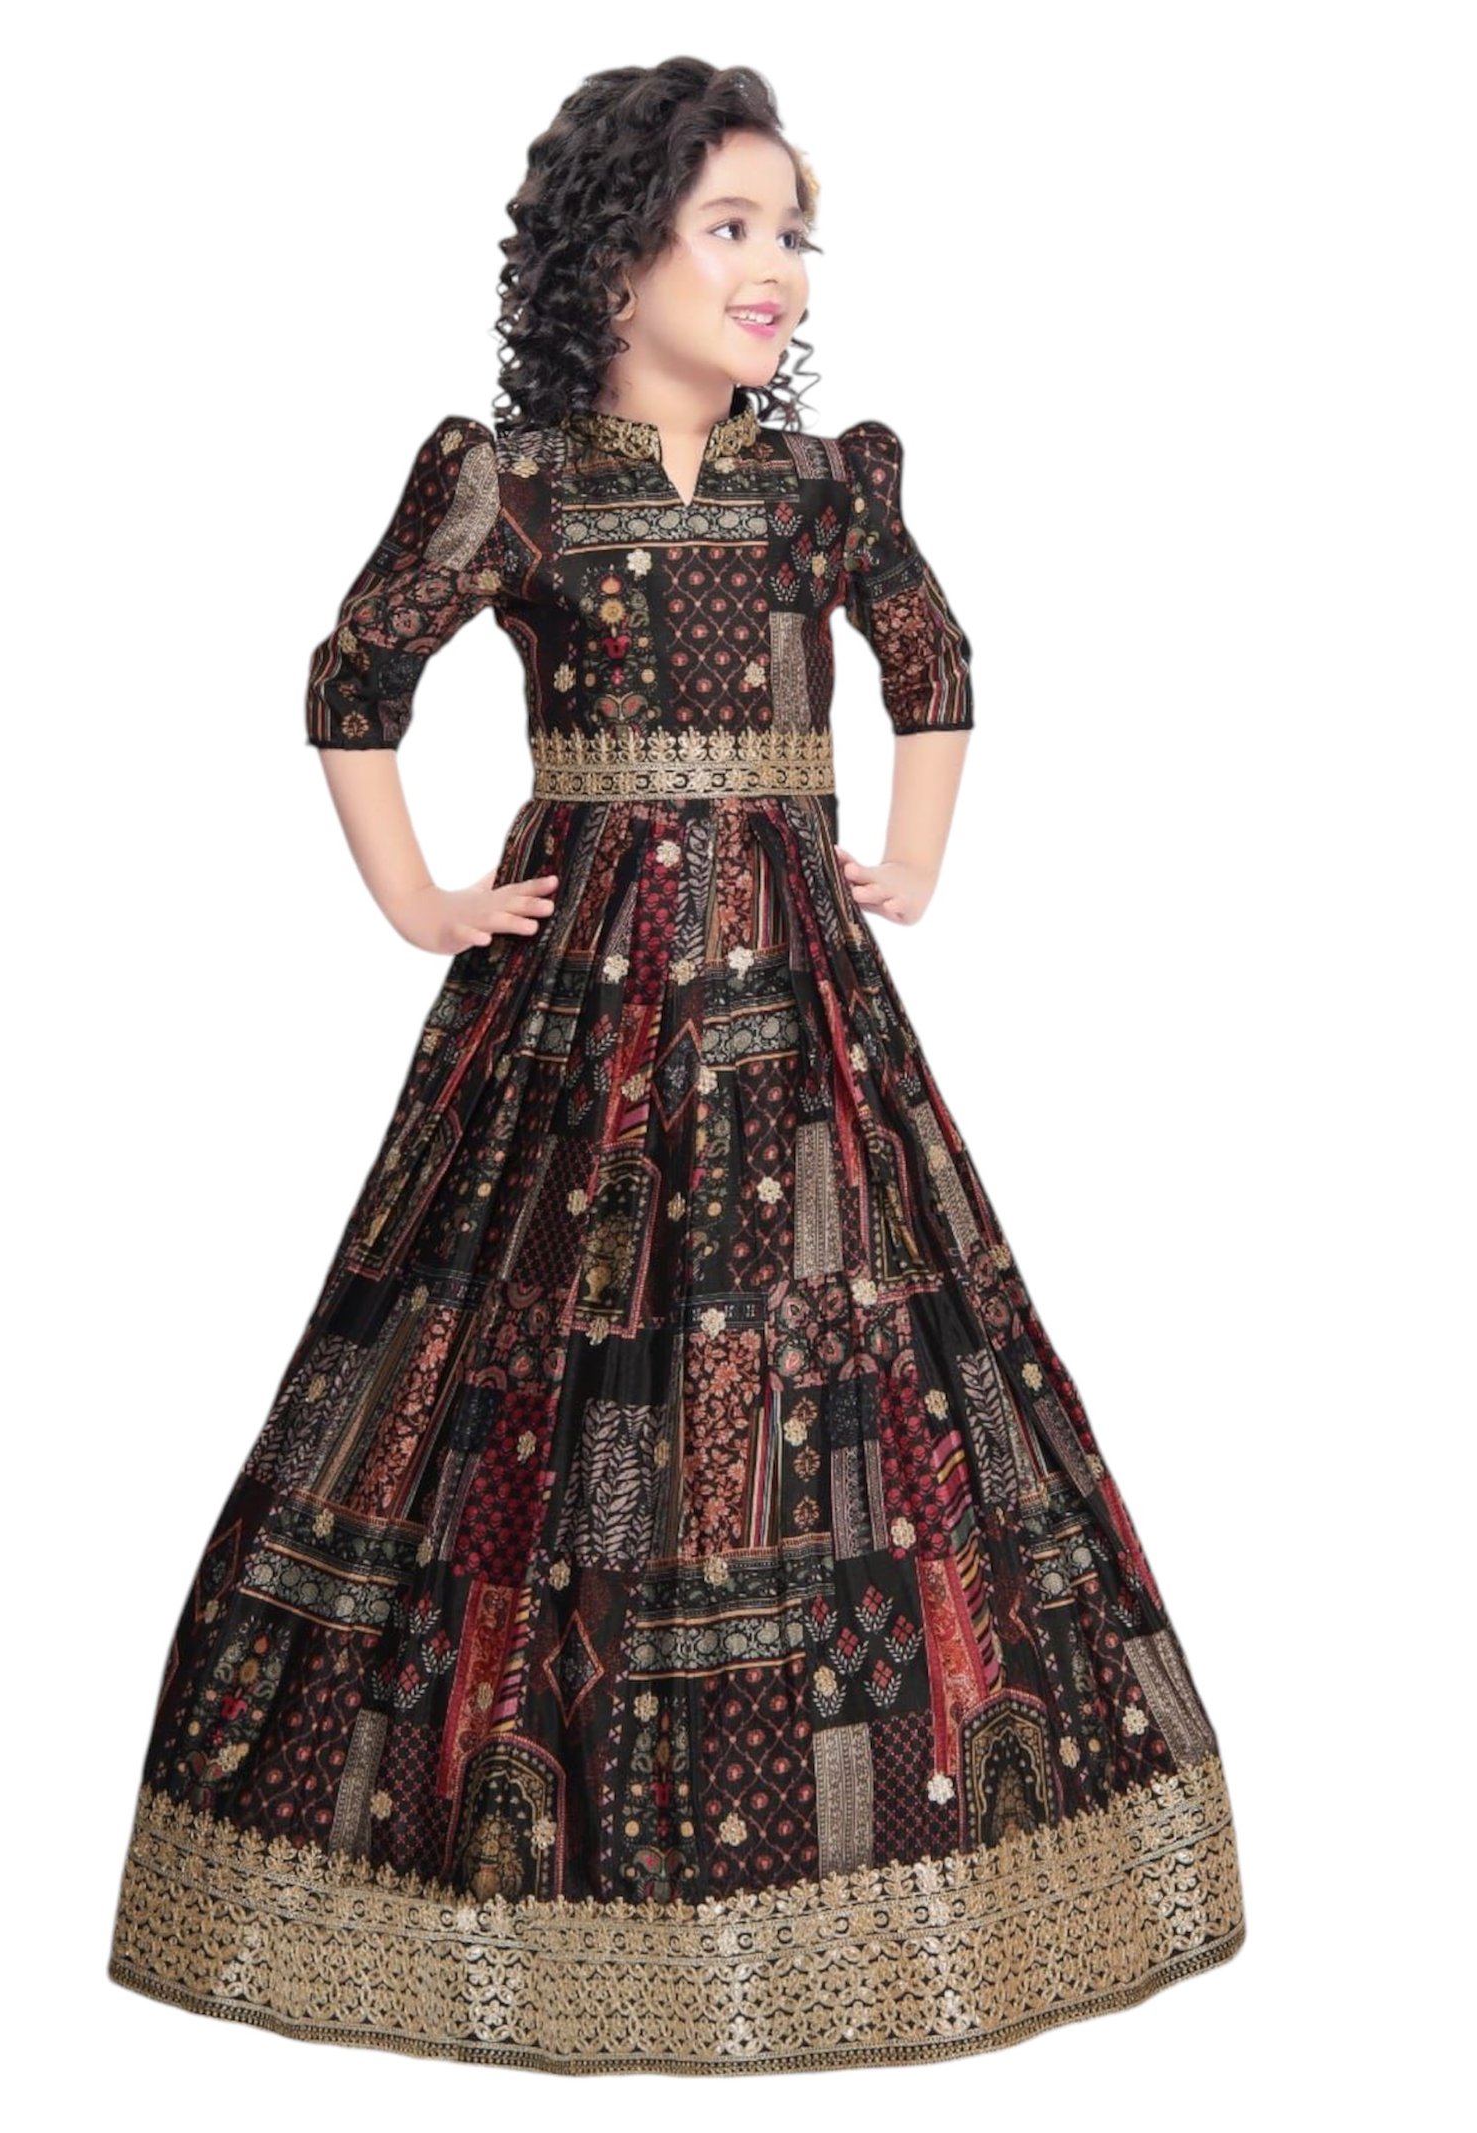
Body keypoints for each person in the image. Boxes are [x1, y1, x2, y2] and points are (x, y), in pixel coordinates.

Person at [107, 56, 1246, 2074]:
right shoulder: (515, 480)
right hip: (580, 1007)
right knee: (526, 1371)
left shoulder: (823, 488)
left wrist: (907, 860)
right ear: (610, 256)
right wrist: (421, 901)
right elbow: (354, 678)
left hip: (800, 1004)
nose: (774, 266)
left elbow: (934, 662)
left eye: (791, 230)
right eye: (728, 225)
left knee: (853, 1367)